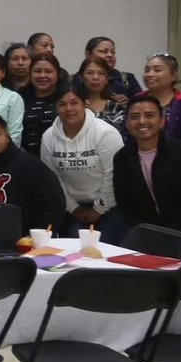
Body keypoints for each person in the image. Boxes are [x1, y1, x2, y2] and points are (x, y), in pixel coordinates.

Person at [113, 96, 181, 262]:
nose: (142, 121)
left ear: (162, 121)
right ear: (126, 124)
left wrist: (169, 234)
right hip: (150, 233)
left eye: (149, 115)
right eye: (134, 117)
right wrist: (150, 232)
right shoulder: (122, 158)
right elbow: (125, 203)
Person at [41, 86, 126, 244]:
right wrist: (73, 208)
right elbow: (52, 179)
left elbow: (113, 175)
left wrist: (99, 209)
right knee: (72, 251)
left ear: (85, 104)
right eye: (62, 104)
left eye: (74, 103)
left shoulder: (105, 133)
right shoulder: (48, 137)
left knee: (105, 251)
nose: (68, 109)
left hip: (110, 206)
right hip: (73, 208)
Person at [136, 52, 181, 164]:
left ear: (174, 75)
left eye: (157, 70)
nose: (150, 74)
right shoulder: (136, 101)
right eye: (147, 70)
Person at [19, 54, 65, 156]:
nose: (42, 75)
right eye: (37, 71)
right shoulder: (19, 98)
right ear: (30, 73)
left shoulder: (66, 98)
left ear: (57, 74)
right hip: (25, 158)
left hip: (60, 157)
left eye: (48, 71)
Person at [75, 56, 127, 135]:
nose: (95, 77)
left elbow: (116, 132)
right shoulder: (73, 104)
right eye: (90, 73)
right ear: (81, 77)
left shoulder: (117, 105)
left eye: (101, 73)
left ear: (107, 79)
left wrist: (93, 114)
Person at [85, 36, 140, 101]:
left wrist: (129, 102)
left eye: (113, 52)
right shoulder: (77, 80)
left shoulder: (127, 79)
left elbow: (141, 104)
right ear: (88, 55)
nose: (110, 55)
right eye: (103, 51)